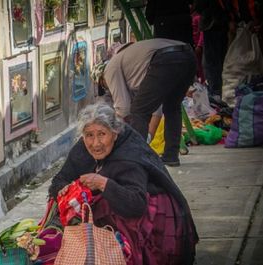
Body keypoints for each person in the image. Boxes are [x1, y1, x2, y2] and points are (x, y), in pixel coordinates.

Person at [48, 103, 199, 265]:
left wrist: (103, 183)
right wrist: (65, 189)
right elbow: (58, 181)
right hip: (122, 203)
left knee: (103, 205)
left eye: (102, 134)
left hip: (150, 213)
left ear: (115, 133)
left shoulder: (129, 156)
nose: (96, 143)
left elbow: (136, 205)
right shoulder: (83, 147)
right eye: (89, 135)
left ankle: (118, 253)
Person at [98, 39, 197, 166]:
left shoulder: (110, 69)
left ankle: (137, 159)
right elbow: (156, 107)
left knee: (138, 111)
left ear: (102, 77)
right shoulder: (135, 68)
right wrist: (148, 135)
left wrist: (112, 136)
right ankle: (171, 156)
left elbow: (123, 108)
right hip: (188, 55)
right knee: (172, 107)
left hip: (165, 58)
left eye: (104, 85)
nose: (108, 88)